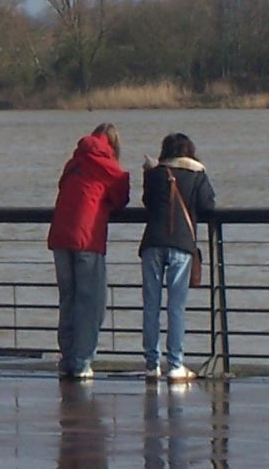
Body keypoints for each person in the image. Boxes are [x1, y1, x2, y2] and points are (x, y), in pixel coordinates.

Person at [46, 122, 131, 380]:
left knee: (68, 299)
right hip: (87, 237)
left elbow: (63, 187)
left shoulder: (75, 162)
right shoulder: (107, 164)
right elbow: (121, 197)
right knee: (91, 302)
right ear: (114, 144)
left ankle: (67, 358)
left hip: (60, 235)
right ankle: (82, 362)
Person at [137, 132, 217, 382]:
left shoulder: (155, 173)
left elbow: (148, 202)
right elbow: (208, 205)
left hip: (152, 243)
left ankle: (151, 364)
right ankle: (175, 364)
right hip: (181, 244)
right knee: (176, 307)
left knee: (151, 305)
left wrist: (149, 173)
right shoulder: (197, 174)